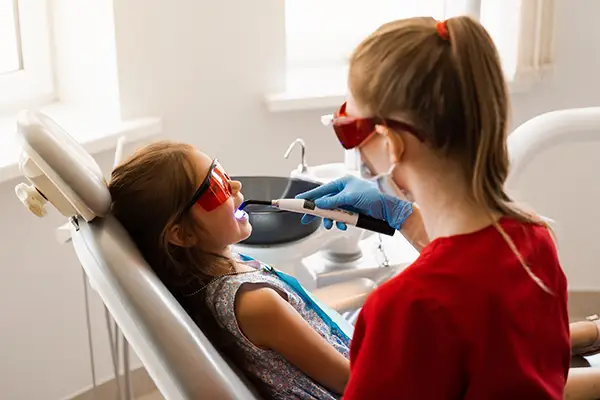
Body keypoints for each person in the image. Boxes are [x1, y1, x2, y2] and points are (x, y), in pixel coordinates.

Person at [296, 15, 573, 399]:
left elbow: (446, 298)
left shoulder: (404, 308)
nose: (353, 146)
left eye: (349, 129)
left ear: (392, 143)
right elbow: (472, 276)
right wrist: (403, 216)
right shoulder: (536, 243)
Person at [108, 141, 352, 399]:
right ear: (183, 234)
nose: (236, 186)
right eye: (216, 187)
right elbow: (350, 381)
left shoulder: (213, 275)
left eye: (223, 173)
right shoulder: (257, 303)